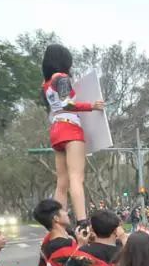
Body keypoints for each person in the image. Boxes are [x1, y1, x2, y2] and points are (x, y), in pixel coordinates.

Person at [42, 44, 105, 230]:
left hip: (56, 128)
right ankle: (82, 221)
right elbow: (67, 103)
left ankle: (56, 222)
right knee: (77, 178)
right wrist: (91, 106)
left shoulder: (45, 84)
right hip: (71, 127)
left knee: (62, 182)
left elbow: (56, 106)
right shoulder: (61, 78)